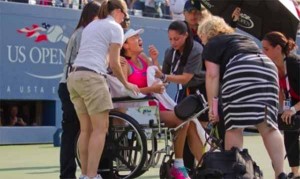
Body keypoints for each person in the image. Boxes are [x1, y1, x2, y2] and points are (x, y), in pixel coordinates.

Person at [198, 16, 287, 179]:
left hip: (241, 69)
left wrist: (213, 108)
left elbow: (212, 75)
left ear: (206, 33)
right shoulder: (242, 38)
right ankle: (280, 173)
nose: (202, 41)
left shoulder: (212, 44)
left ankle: (235, 173)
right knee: (268, 126)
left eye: (201, 37)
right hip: (267, 69)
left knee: (234, 126)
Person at [66, 0, 139, 178]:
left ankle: (85, 175)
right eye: (125, 14)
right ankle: (92, 175)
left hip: (74, 77)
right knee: (100, 129)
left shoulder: (92, 25)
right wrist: (126, 84)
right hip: (92, 78)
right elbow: (114, 63)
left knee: (86, 130)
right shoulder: (115, 28)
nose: (125, 18)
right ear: (118, 11)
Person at [121, 28, 204, 179]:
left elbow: (157, 77)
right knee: (183, 120)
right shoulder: (123, 64)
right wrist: (152, 88)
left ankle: (205, 167)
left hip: (153, 105)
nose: (140, 39)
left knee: (190, 122)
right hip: (138, 109)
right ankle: (178, 166)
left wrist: (154, 60)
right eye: (135, 37)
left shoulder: (143, 59)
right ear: (125, 45)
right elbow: (127, 91)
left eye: (139, 36)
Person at [58, 2, 102, 179]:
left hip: (66, 84)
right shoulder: (86, 33)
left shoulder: (77, 33)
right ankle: (79, 173)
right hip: (75, 85)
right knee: (80, 131)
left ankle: (69, 174)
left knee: (72, 132)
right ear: (93, 16)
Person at [155, 20, 205, 175]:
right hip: (185, 91)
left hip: (202, 90)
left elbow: (184, 78)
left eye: (176, 39)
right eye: (170, 39)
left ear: (186, 35)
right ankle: (195, 167)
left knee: (199, 129)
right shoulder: (170, 52)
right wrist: (155, 62)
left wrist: (163, 76)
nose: (173, 42)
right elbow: (163, 78)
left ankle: (203, 166)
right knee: (188, 125)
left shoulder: (196, 49)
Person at [262, 31, 300, 179]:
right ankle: (295, 173)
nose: (263, 52)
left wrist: (292, 109)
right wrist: (283, 105)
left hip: (297, 104)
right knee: (289, 129)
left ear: (278, 48)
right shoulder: (272, 66)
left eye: (266, 49)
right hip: (294, 102)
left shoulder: (294, 64)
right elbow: (282, 93)